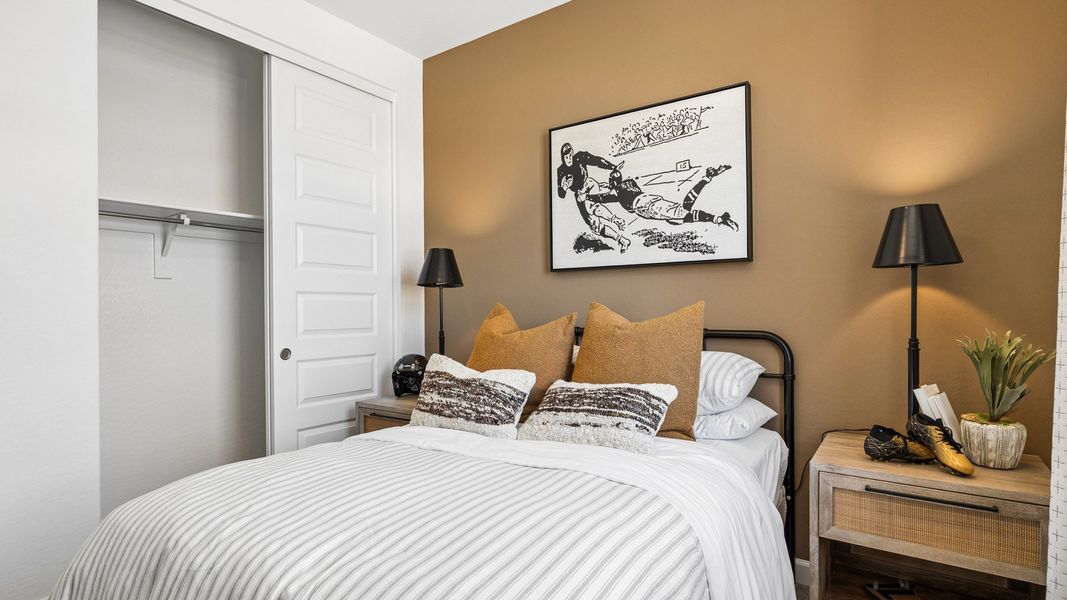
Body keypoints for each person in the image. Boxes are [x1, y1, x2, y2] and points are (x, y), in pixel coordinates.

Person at [587, 164, 739, 229]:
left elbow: (604, 198)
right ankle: (718, 219)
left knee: (682, 210)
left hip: (644, 206)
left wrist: (587, 196)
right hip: (648, 200)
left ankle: (706, 179)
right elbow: (618, 191)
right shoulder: (626, 185)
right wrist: (611, 186)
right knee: (678, 219)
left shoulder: (618, 192)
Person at [556, 143, 631, 252]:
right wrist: (564, 187)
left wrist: (612, 167)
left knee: (591, 206)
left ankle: (616, 220)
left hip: (588, 184)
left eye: (569, 156)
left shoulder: (580, 157)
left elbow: (596, 161)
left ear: (572, 153)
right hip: (579, 193)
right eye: (565, 157)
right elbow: (560, 194)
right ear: (562, 157)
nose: (568, 159)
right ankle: (623, 240)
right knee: (595, 226)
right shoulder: (561, 170)